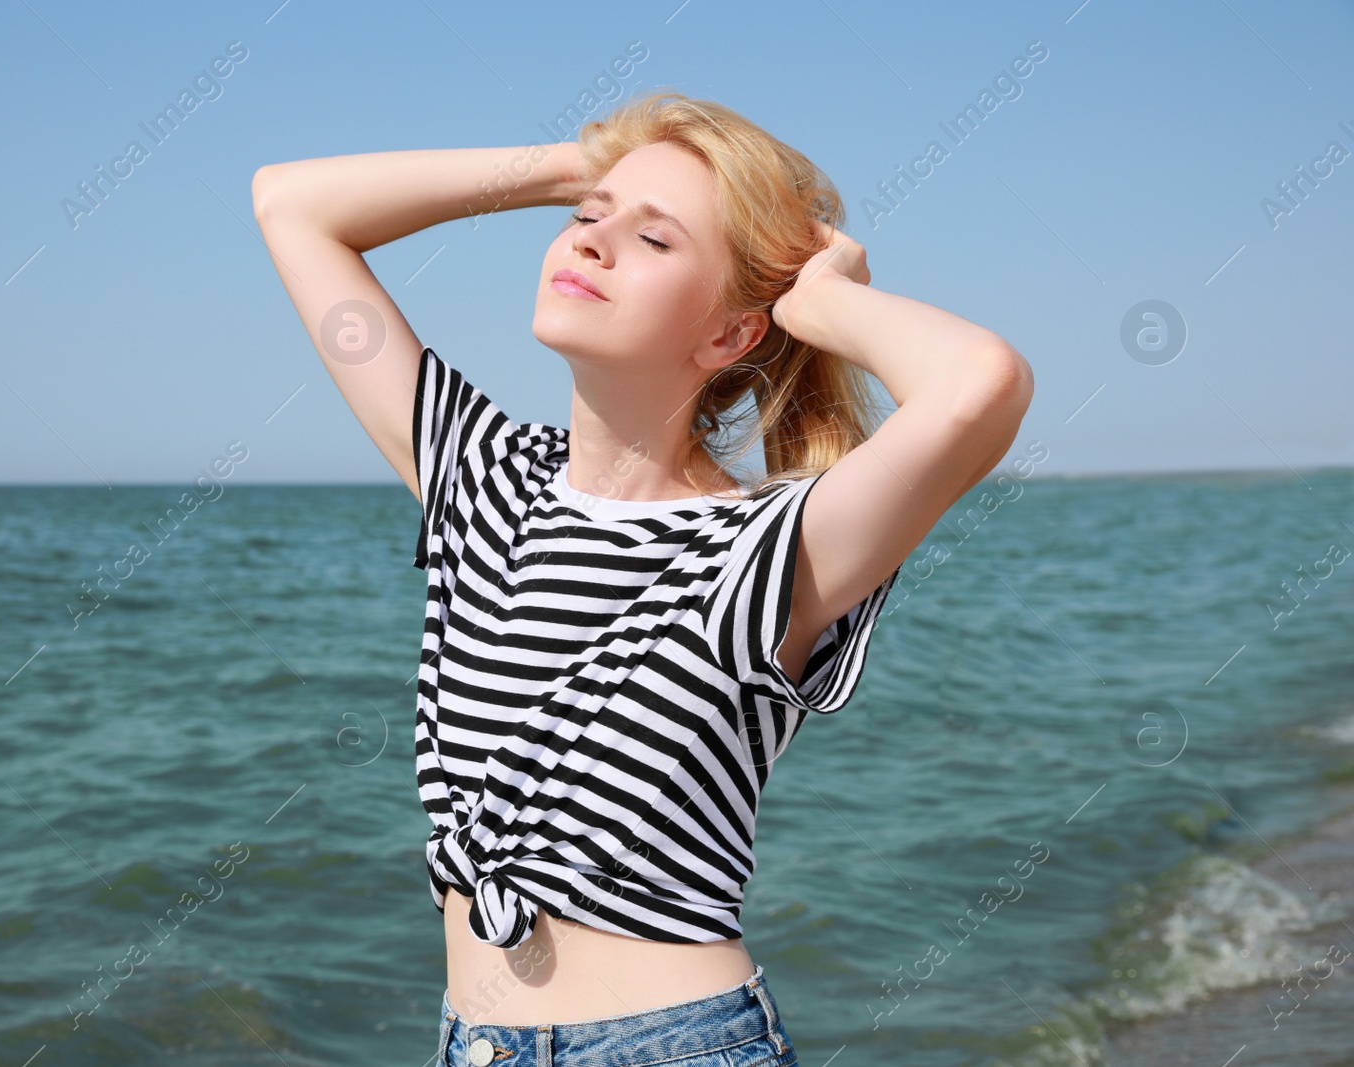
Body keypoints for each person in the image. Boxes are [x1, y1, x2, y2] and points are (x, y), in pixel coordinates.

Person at [252, 91, 1033, 1066]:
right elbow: (292, 205)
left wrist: (820, 299)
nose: (591, 239)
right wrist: (581, 165)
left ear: (730, 336)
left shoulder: (761, 546)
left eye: (654, 239)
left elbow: (979, 385)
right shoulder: (484, 479)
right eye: (586, 219)